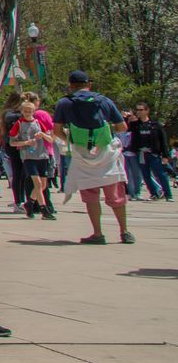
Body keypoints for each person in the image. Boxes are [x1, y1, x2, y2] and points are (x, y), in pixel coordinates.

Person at [54, 70, 132, 244]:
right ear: (89, 84)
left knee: (91, 194)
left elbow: (57, 131)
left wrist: (72, 140)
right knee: (115, 194)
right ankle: (124, 231)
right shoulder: (104, 100)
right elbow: (122, 127)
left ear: (71, 85)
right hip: (106, 153)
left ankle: (98, 233)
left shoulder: (64, 103)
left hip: (82, 154)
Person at [11, 95, 55, 219]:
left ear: (33, 111)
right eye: (25, 111)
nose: (28, 114)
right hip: (28, 157)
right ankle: (44, 209)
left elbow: (50, 138)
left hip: (42, 155)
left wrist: (42, 135)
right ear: (21, 111)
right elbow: (12, 142)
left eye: (30, 111)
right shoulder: (19, 124)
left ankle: (29, 202)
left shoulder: (38, 122)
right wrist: (25, 143)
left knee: (43, 184)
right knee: (37, 182)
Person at [126, 102, 173, 201]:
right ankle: (154, 193)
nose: (139, 112)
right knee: (145, 175)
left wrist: (165, 155)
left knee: (161, 174)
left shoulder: (156, 125)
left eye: (141, 110)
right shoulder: (134, 125)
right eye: (137, 110)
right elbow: (126, 132)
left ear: (147, 111)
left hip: (154, 154)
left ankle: (168, 195)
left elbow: (163, 140)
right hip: (140, 154)